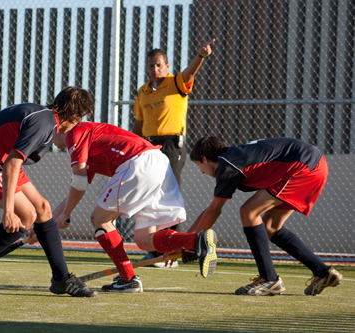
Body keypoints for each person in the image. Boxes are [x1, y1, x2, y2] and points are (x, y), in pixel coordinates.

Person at [0, 87, 97, 298]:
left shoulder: (44, 117)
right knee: (26, 216)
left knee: (43, 209)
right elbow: (13, 162)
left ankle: (61, 279)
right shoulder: (45, 124)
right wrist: (8, 211)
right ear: (75, 117)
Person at [52, 122, 217, 293]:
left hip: (138, 162)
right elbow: (77, 190)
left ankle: (128, 278)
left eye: (51, 130)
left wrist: (65, 214)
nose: (48, 138)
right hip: (158, 161)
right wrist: (46, 225)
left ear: (60, 125)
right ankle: (195, 241)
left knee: (99, 219)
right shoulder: (90, 138)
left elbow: (78, 184)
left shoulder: (75, 134)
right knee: (144, 240)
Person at [188, 136, 343, 296]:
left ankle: (269, 279)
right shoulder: (233, 157)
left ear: (204, 158)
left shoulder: (228, 165)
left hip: (303, 167)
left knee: (249, 211)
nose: (201, 171)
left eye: (198, 165)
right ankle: (324, 273)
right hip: (313, 165)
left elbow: (214, 210)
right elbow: (211, 209)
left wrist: (190, 243)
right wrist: (187, 237)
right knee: (271, 226)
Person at [131, 40, 215, 265]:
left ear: (167, 66)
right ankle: (156, 246)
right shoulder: (143, 92)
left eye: (159, 65)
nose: (155, 70)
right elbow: (138, 125)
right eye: (151, 66)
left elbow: (190, 72)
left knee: (169, 193)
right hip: (149, 146)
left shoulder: (175, 83)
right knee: (150, 193)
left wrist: (201, 55)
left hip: (171, 145)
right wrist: (132, 147)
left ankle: (172, 249)